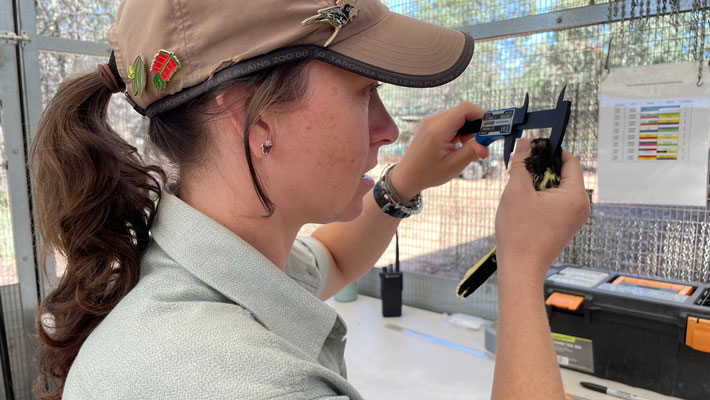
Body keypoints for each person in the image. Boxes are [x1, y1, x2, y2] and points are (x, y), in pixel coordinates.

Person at [29, 0, 590, 399]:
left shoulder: (194, 264)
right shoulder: (241, 382)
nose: (389, 128)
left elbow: (332, 262)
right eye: (365, 92)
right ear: (249, 116)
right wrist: (520, 268)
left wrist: (406, 180)